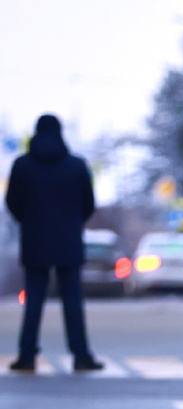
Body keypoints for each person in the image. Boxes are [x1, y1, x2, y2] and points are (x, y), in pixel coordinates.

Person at [4, 114, 101, 372]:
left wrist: (30, 221)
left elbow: (12, 203)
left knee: (34, 301)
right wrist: (72, 222)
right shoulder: (76, 166)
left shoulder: (22, 166)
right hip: (68, 241)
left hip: (35, 240)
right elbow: (88, 204)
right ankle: (81, 356)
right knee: (72, 301)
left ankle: (27, 356)